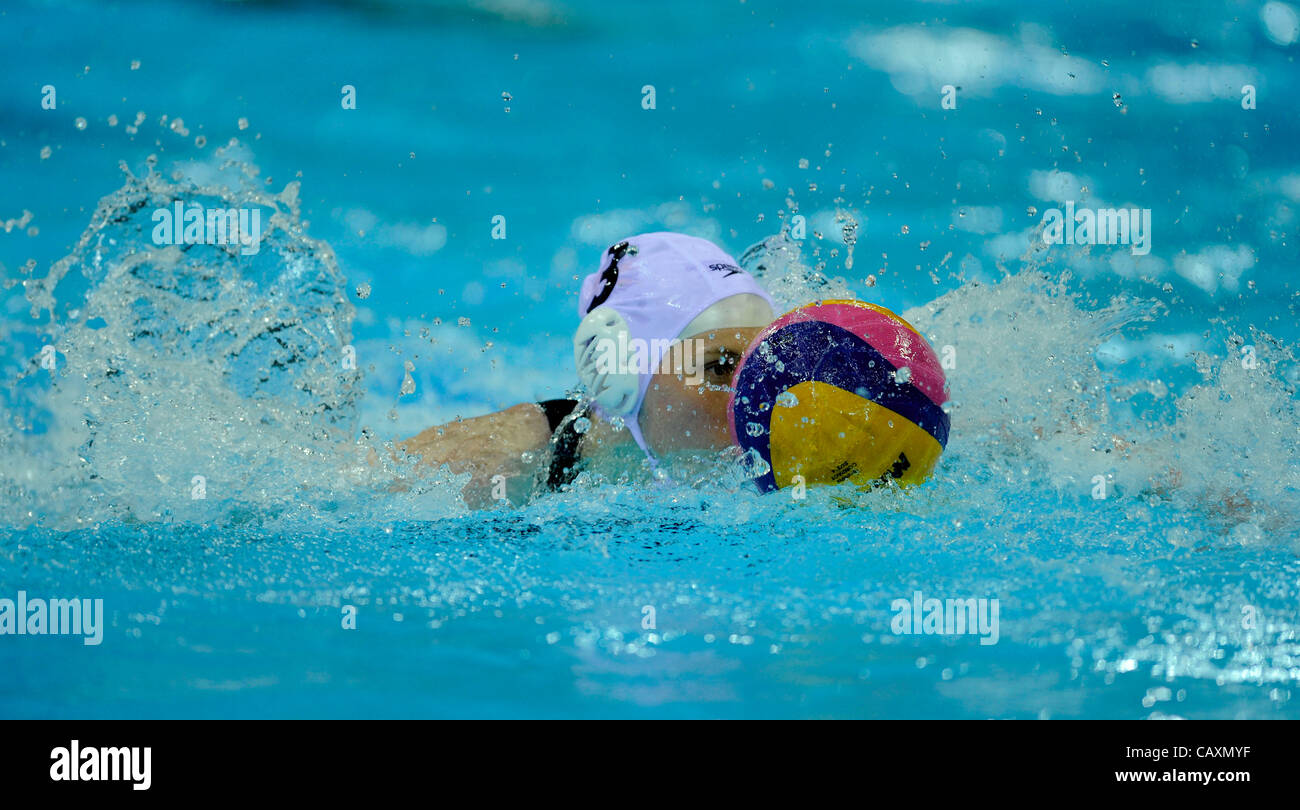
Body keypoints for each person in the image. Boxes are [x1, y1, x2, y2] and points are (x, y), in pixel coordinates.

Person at [398, 232, 776, 506]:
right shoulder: (501, 462)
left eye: (760, 363)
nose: (755, 395)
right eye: (719, 367)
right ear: (619, 369)